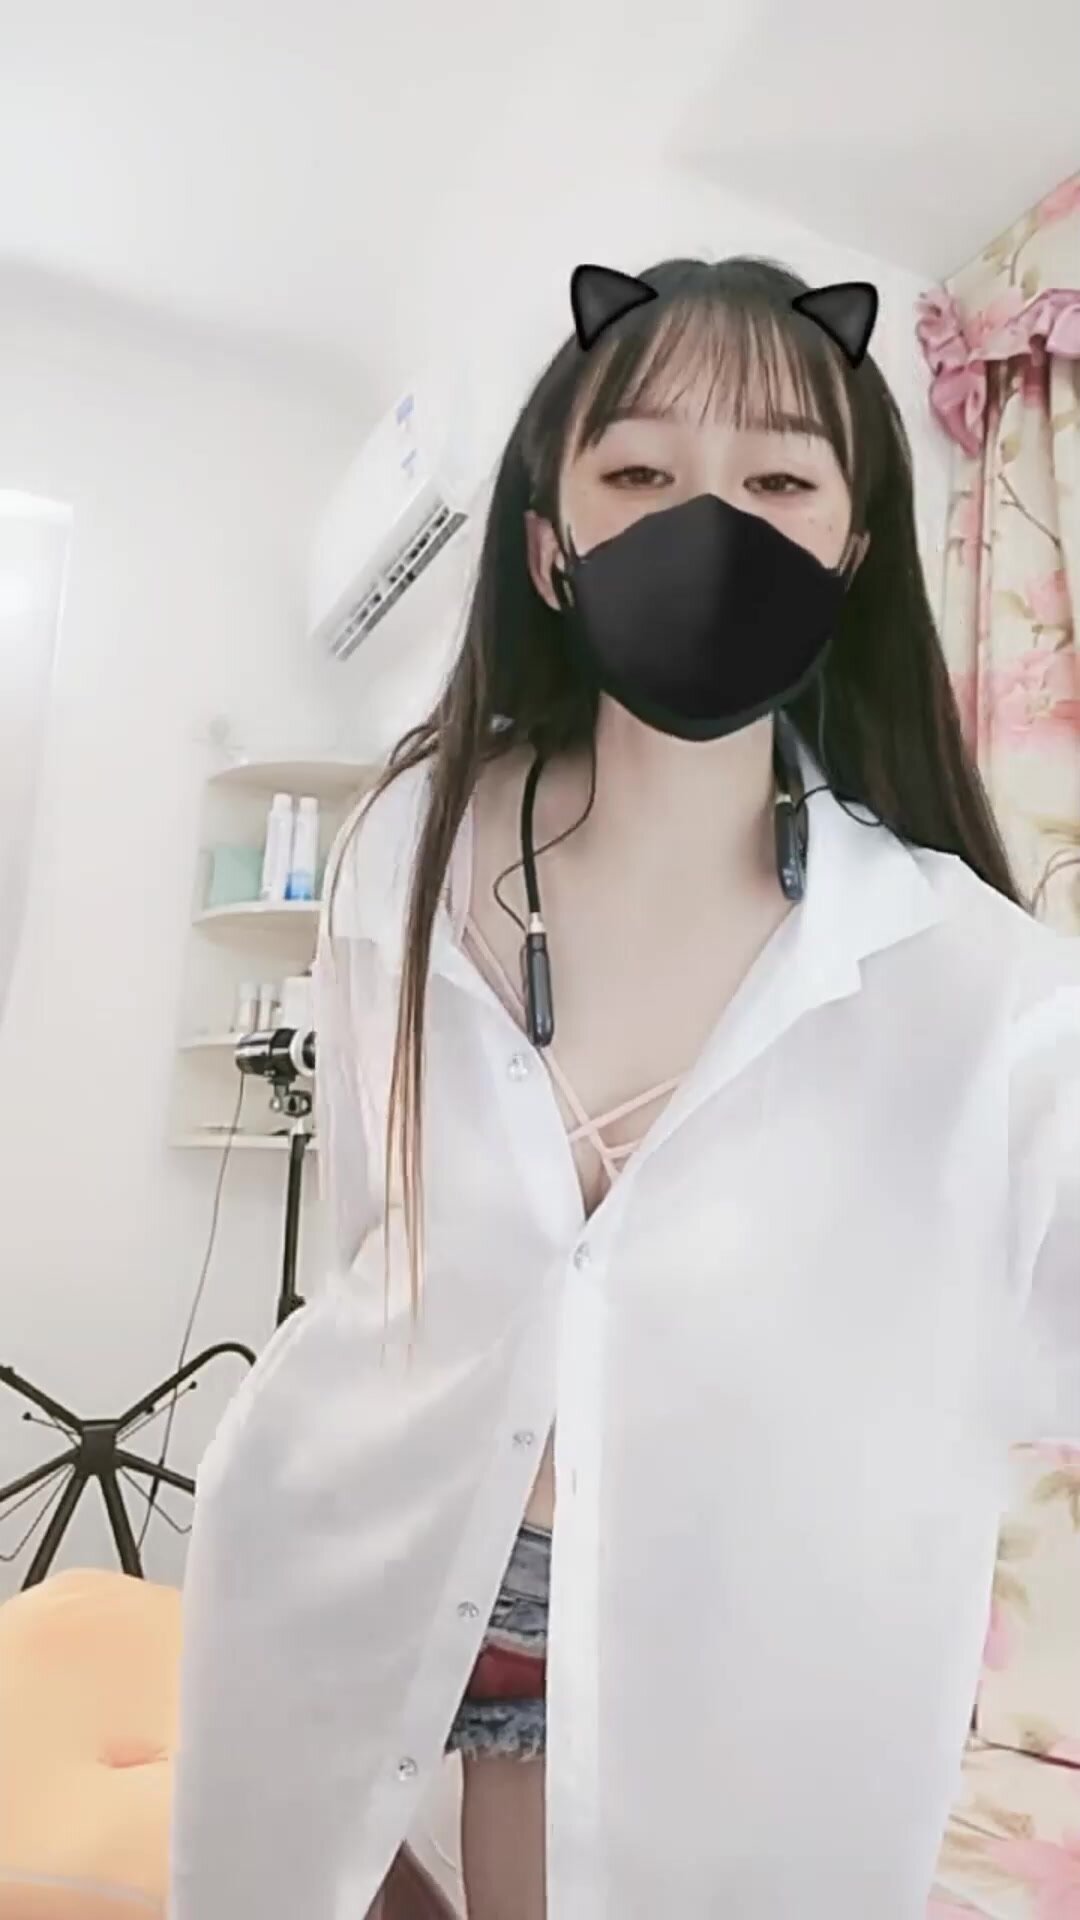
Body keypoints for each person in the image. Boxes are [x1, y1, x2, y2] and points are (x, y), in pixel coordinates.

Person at [167, 255, 1080, 1920]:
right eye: (642, 471)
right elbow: (379, 1244)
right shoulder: (402, 847)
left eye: (780, 482)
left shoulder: (979, 985)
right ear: (550, 543)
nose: (707, 523)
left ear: (852, 552)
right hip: (350, 1563)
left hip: (706, 1654)